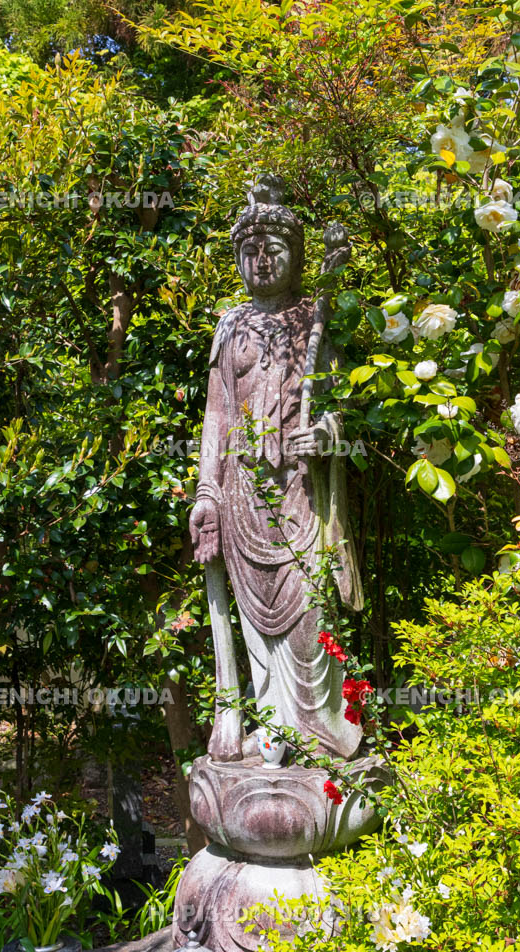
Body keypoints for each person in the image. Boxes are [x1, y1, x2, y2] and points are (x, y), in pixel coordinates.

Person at [190, 175, 363, 759]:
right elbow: (216, 418)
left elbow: (343, 407)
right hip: (243, 493)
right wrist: (206, 495)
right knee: (254, 623)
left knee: (308, 609)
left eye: (275, 250)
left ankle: (317, 726)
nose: (261, 262)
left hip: (300, 492)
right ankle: (269, 729)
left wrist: (328, 434)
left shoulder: (314, 323)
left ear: (296, 257)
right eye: (249, 252)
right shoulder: (231, 326)